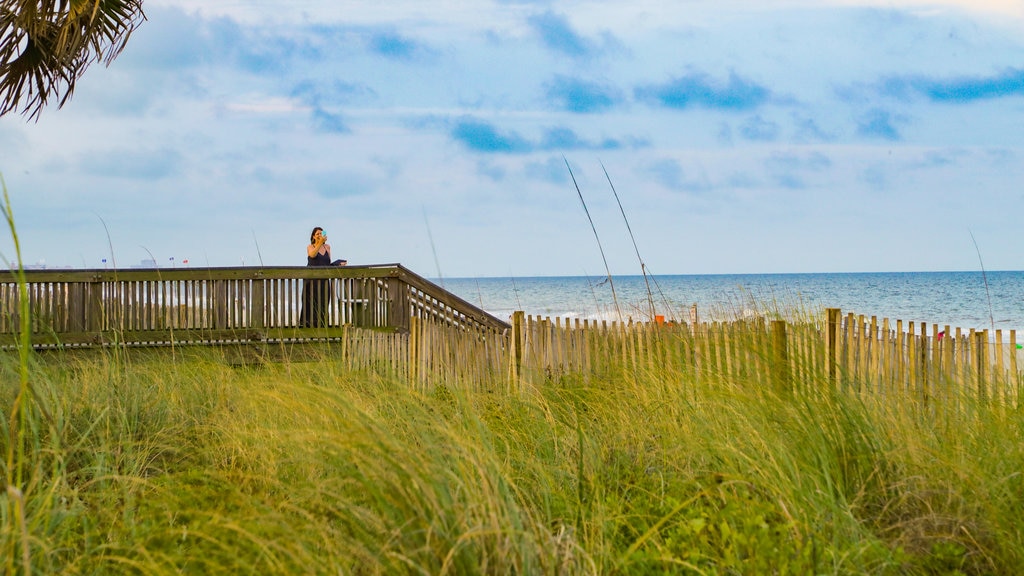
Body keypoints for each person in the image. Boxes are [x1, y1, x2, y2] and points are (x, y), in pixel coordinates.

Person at [300, 227, 333, 327]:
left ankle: (322, 324)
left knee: (323, 302)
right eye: (317, 234)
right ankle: (307, 325)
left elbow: (328, 262)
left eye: (321, 233)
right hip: (311, 281)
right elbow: (312, 255)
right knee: (310, 303)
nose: (319, 235)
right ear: (313, 236)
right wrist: (319, 243)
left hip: (324, 280)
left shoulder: (327, 247)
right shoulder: (310, 247)